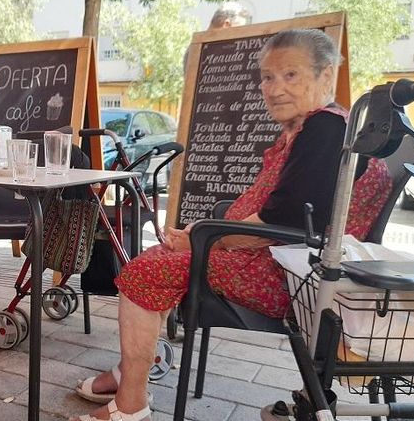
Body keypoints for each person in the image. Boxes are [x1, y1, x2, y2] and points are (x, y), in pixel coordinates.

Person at [71, 29, 392, 421]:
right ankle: (131, 367)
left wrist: (206, 239)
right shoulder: (317, 127)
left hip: (289, 275)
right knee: (160, 257)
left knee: (144, 273)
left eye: (290, 75)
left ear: (326, 76)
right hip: (281, 258)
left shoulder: (326, 130)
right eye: (268, 77)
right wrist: (200, 236)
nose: (274, 89)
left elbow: (284, 220)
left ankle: (131, 405)